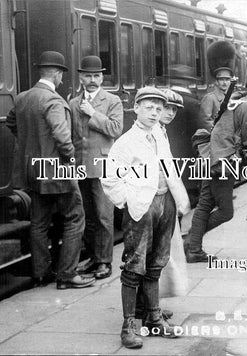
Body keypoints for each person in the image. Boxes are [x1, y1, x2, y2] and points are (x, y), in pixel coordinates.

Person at [100, 87, 190, 348]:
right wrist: (129, 201)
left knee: (157, 262)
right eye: (149, 107)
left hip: (165, 204)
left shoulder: (160, 135)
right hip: (142, 208)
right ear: (136, 108)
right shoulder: (125, 142)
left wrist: (178, 200)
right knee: (133, 265)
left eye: (158, 108)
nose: (154, 112)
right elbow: (109, 179)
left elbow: (169, 167)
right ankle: (128, 325)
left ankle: (153, 318)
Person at [6, 51, 94, 289]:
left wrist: (30, 145)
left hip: (32, 171)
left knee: (39, 222)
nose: (62, 80)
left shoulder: (23, 97)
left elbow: (12, 123)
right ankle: (66, 274)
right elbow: (62, 136)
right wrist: (71, 160)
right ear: (56, 74)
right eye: (61, 75)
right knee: (76, 217)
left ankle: (40, 274)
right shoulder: (54, 101)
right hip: (57, 171)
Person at [184, 59, 247, 263]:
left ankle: (193, 247)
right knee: (226, 212)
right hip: (222, 161)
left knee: (204, 204)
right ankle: (191, 241)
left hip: (211, 156)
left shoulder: (245, 101)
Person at [71, 55, 123, 280]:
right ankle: (93, 258)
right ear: (81, 78)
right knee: (88, 216)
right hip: (81, 166)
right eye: (87, 75)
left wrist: (93, 114)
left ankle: (104, 262)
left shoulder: (112, 101)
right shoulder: (73, 102)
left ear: (102, 78)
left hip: (103, 165)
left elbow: (115, 129)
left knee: (103, 216)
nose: (92, 79)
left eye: (96, 75)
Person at [199, 41, 236, 130]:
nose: (224, 83)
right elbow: (205, 120)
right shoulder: (210, 98)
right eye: (221, 79)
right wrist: (220, 132)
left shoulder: (233, 97)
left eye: (227, 80)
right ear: (216, 81)